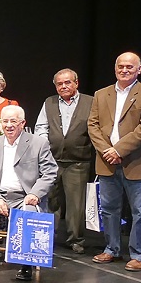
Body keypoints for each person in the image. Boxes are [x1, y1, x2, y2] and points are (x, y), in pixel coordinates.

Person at [0, 105, 58, 280]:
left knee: (29, 212)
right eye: (5, 121)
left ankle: (26, 263)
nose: (9, 125)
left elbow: (50, 173)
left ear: (22, 123)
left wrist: (35, 194)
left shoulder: (38, 143)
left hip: (25, 198)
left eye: (13, 121)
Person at [88, 52, 141, 272]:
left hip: (137, 162)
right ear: (115, 68)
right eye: (121, 66)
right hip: (107, 161)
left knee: (140, 211)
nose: (124, 70)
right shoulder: (101, 94)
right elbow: (93, 125)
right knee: (109, 209)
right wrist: (107, 151)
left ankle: (140, 255)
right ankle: (112, 249)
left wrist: (118, 150)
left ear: (139, 69)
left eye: (130, 66)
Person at [35, 68, 94, 254]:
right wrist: (45, 150)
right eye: (59, 84)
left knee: (76, 204)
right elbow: (41, 127)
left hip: (78, 161)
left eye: (68, 82)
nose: (63, 86)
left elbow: (96, 128)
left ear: (76, 83)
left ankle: (76, 240)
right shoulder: (49, 102)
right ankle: (47, 237)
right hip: (52, 161)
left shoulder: (90, 102)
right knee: (51, 201)